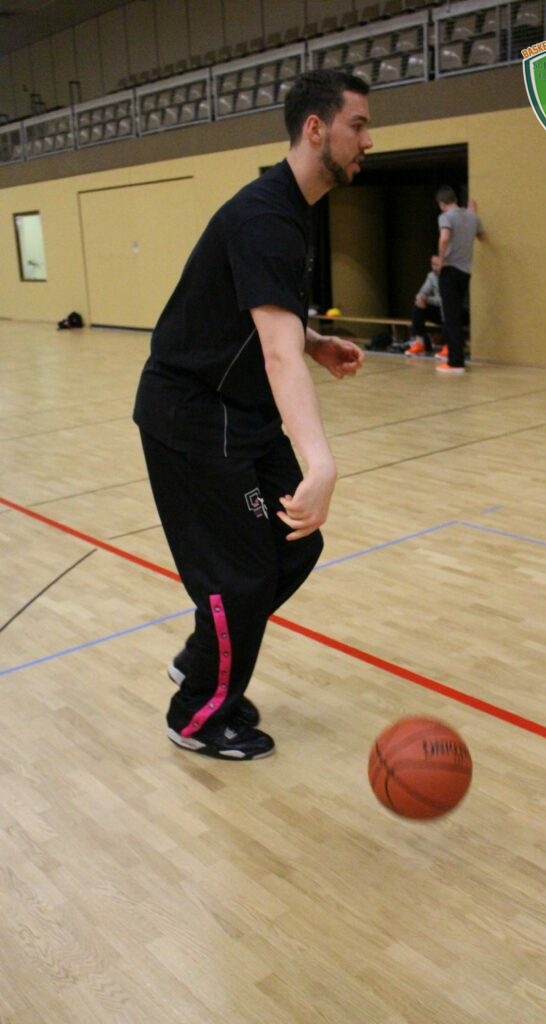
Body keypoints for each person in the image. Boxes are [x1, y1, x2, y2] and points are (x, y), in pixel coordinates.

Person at [133, 70, 372, 760]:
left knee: (294, 545)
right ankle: (196, 715)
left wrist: (315, 341)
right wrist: (320, 460)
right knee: (237, 575)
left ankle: (203, 654)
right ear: (315, 128)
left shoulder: (291, 209)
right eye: (358, 125)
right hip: (194, 418)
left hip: (239, 413)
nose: (367, 141)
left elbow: (270, 322)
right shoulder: (265, 216)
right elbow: (275, 352)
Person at [434, 186, 485, 375]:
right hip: (465, 271)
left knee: (451, 316)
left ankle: (455, 362)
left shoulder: (445, 217)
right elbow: (481, 236)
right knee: (456, 314)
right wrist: (471, 215)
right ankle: (456, 355)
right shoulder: (472, 217)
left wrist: (440, 260)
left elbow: (444, 238)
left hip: (450, 270)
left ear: (442, 204)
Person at [403, 255, 445, 357]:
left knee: (449, 308)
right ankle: (419, 343)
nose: (434, 268)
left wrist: (428, 299)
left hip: (456, 312)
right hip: (440, 312)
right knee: (419, 304)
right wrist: (421, 297)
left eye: (437, 265)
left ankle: (448, 347)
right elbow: (422, 292)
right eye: (433, 264)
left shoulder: (450, 276)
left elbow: (446, 300)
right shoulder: (431, 276)